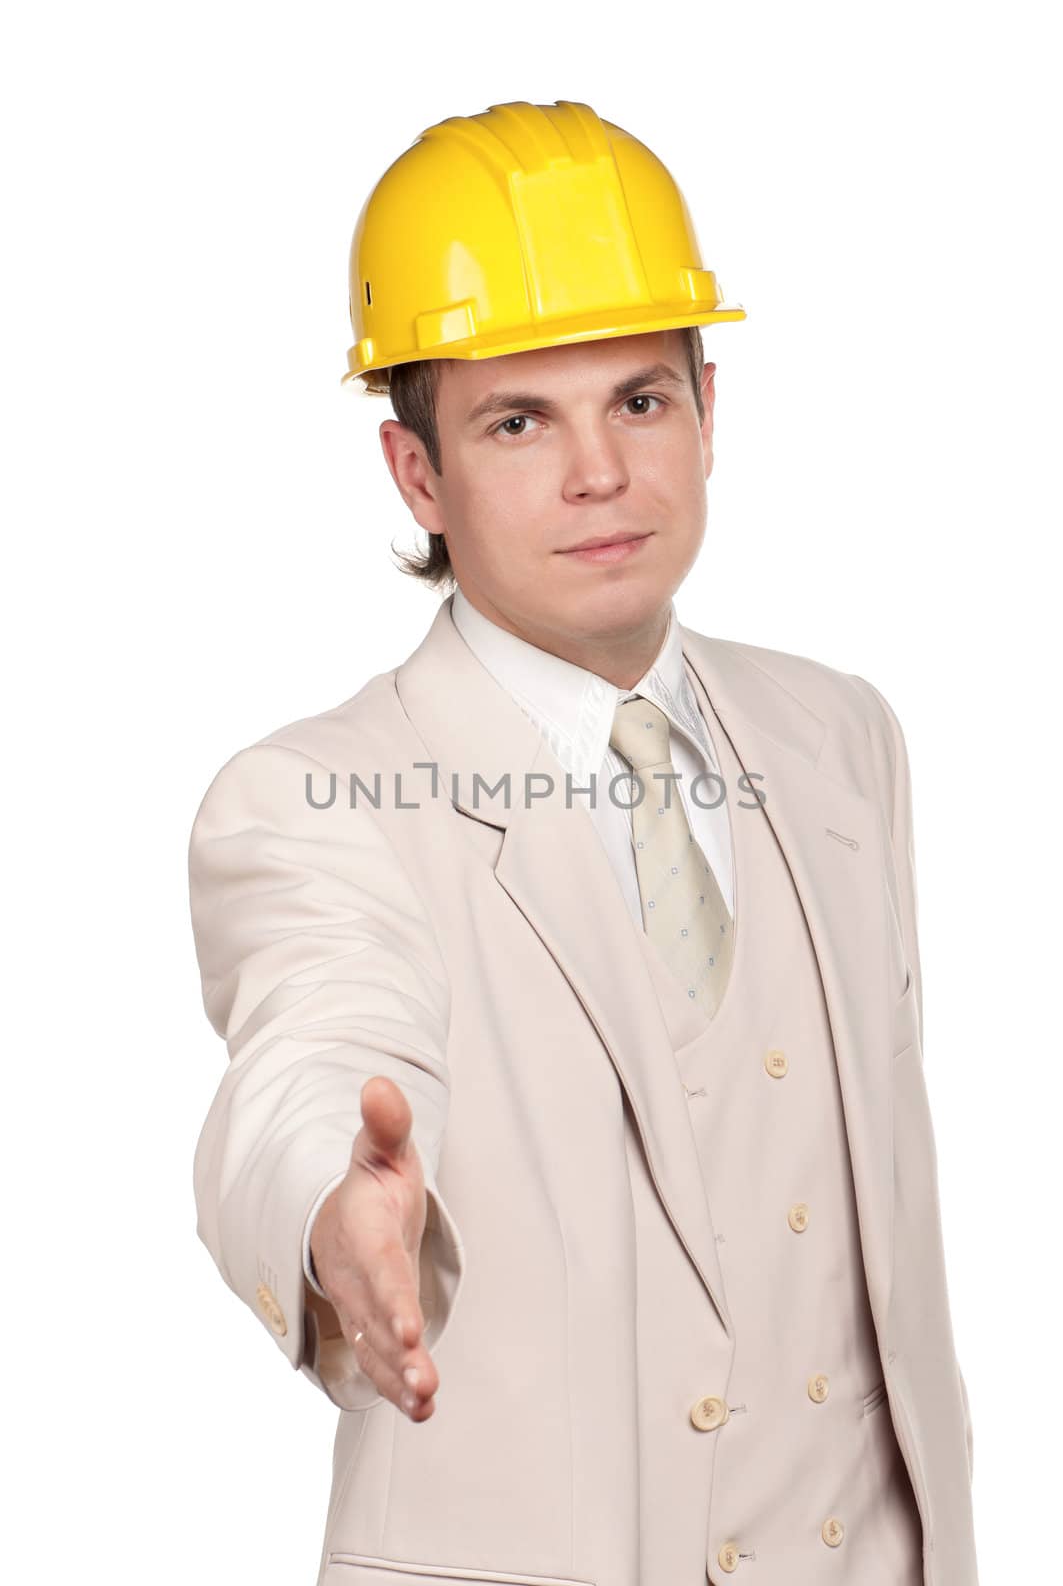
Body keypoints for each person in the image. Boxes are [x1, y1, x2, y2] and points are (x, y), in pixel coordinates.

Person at [187, 99, 979, 1586]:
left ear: (709, 404)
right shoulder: (312, 795)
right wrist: (333, 1218)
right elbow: (312, 1048)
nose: (601, 474)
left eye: (638, 399)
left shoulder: (842, 739)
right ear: (417, 475)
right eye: (516, 421)